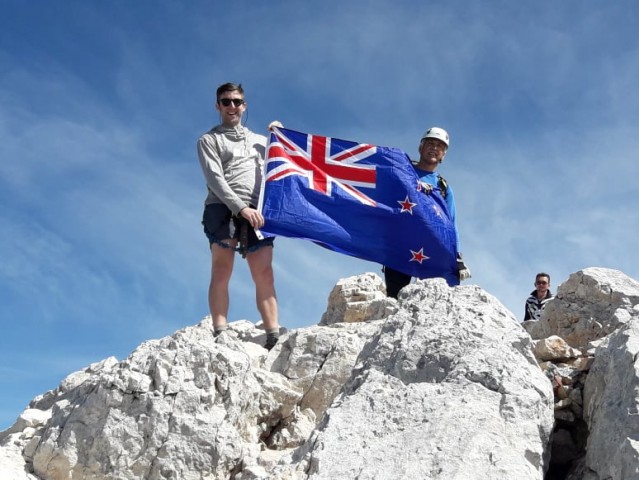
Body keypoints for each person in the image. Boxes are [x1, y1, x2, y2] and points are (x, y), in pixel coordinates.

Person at [197, 82, 280, 350]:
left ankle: (273, 334)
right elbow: (215, 179)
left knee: (264, 272)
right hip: (222, 208)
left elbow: (283, 165)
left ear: (244, 105)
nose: (231, 106)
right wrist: (239, 207)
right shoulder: (209, 140)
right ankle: (220, 330)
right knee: (222, 269)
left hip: (256, 209)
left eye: (236, 101)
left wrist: (282, 136)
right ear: (217, 106)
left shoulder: (261, 142)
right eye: (226, 101)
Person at [384, 127, 471, 298]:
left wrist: (456, 256)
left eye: (440, 146)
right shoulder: (403, 172)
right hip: (399, 245)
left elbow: (450, 224)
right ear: (421, 147)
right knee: (394, 299)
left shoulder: (443, 187)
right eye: (430, 143)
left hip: (429, 248)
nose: (434, 148)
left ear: (443, 155)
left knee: (432, 299)